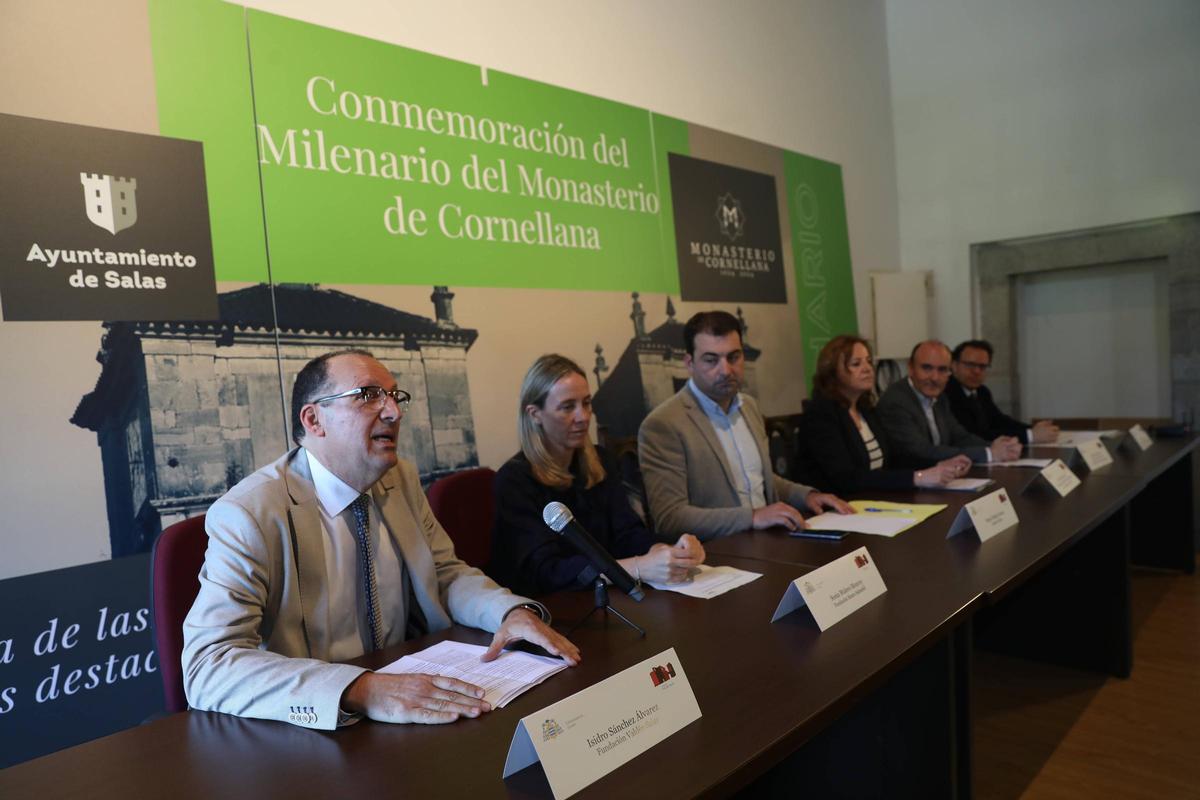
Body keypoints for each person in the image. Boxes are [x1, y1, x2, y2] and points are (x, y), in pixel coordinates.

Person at [182, 349, 579, 731]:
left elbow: (444, 574)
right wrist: (361, 689)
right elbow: (208, 665)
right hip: (317, 727)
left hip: (411, 698)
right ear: (314, 420)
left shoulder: (399, 477)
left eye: (394, 396)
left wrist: (508, 613)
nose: (394, 412)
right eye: (369, 395)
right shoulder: (250, 513)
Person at [489, 355, 705, 597]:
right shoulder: (514, 481)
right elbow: (547, 572)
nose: (583, 416)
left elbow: (628, 534)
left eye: (586, 403)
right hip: (550, 606)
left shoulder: (601, 460)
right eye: (568, 407)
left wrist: (668, 551)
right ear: (535, 414)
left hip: (608, 597)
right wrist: (637, 567)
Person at [639, 310, 852, 540]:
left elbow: (759, 479)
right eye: (711, 360)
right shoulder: (663, 424)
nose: (726, 370)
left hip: (771, 540)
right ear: (689, 363)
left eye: (733, 357)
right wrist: (752, 517)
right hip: (717, 552)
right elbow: (670, 517)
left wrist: (807, 496)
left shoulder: (748, 406)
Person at [797, 335, 972, 493]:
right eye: (856, 364)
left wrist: (937, 466)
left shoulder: (865, 409)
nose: (867, 369)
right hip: (835, 507)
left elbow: (893, 460)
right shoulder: (821, 414)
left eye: (868, 361)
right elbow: (846, 478)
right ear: (832, 372)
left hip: (871, 501)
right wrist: (918, 477)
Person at [877, 340, 1023, 465]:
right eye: (927, 368)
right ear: (911, 368)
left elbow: (959, 436)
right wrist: (988, 453)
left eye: (942, 370)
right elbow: (920, 451)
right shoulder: (895, 401)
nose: (935, 377)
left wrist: (996, 447)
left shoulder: (940, 396)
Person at [947, 339, 1059, 444]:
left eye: (982, 366)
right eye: (970, 365)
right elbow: (973, 434)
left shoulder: (982, 391)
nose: (976, 371)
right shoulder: (947, 392)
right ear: (954, 365)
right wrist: (1030, 435)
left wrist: (1032, 429)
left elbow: (999, 420)